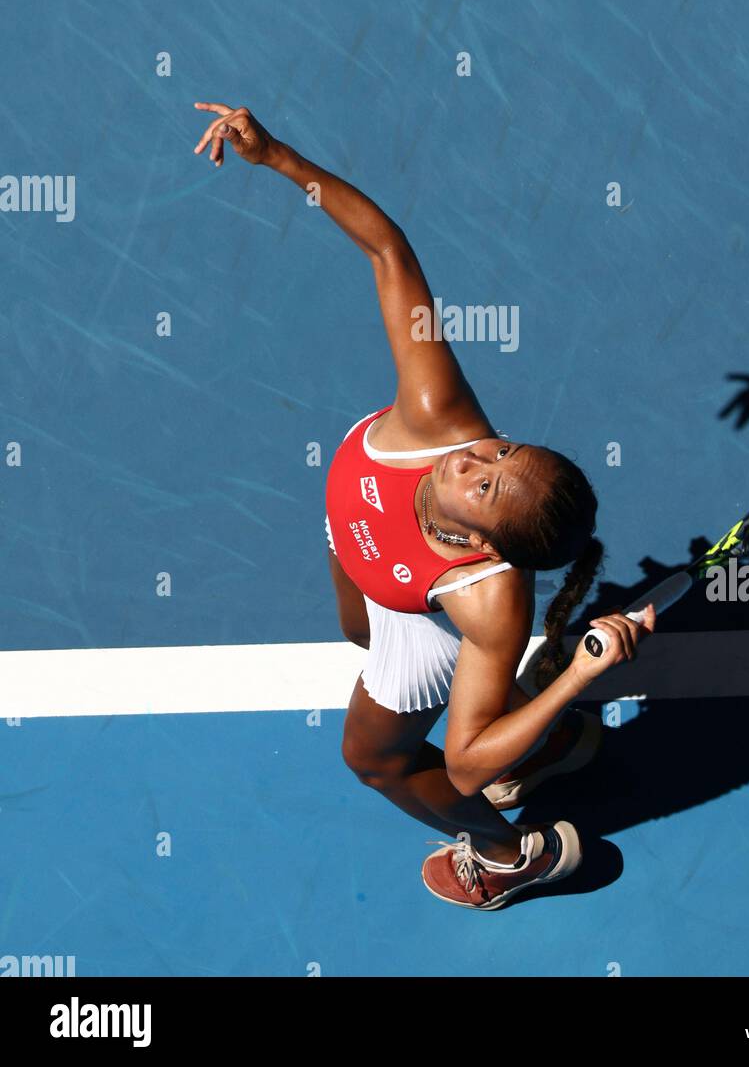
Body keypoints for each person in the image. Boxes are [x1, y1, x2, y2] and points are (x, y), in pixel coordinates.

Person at [193, 102, 655, 909]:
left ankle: (515, 853)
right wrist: (276, 158)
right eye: (503, 451)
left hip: (417, 619)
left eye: (484, 484)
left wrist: (575, 676)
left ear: (485, 543)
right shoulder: (440, 413)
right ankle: (549, 749)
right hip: (359, 540)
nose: (474, 457)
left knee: (376, 761)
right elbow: (386, 250)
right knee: (352, 624)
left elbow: (466, 762)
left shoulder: (486, 602)